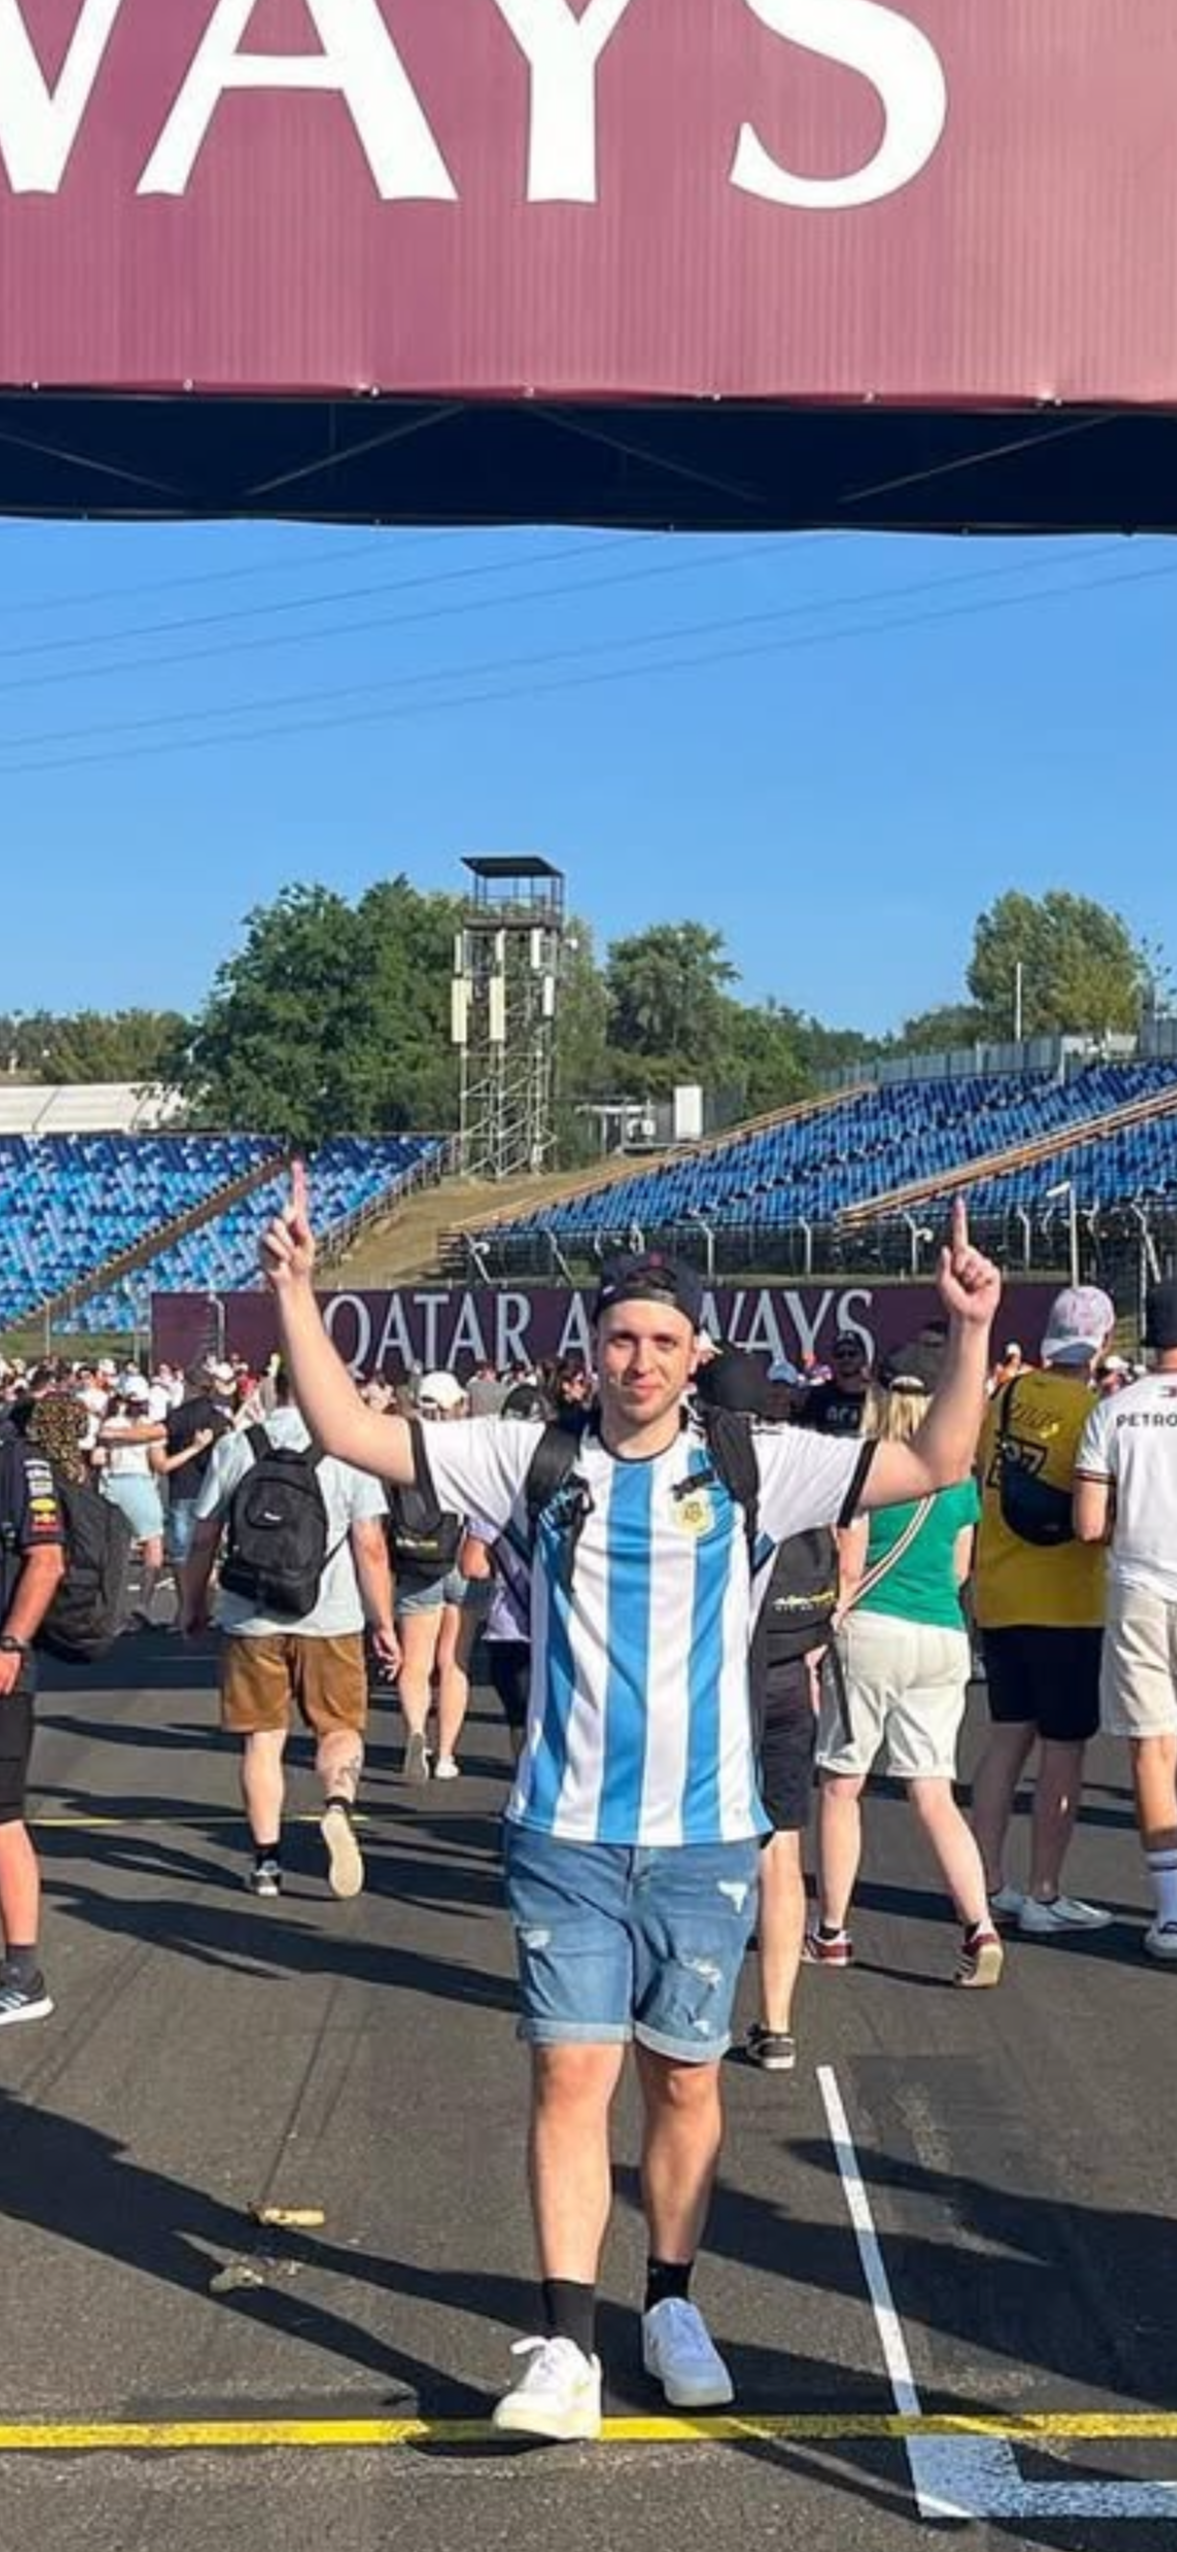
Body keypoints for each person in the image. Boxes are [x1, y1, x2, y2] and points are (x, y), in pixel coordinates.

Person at [261, 1170, 1002, 2440]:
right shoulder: (529, 1453)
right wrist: (292, 1292)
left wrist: (973, 1324)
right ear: (589, 1349)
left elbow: (939, 1454)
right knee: (568, 2075)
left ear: (696, 1350)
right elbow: (349, 1432)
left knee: (684, 2086)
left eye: (663, 1339)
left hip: (709, 1839)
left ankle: (670, 2298)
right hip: (565, 1832)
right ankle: (566, 2340)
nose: (641, 1358)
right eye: (620, 1337)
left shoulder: (755, 1459)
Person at [807, 1348, 1001, 1987]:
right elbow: (958, 1570)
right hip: (941, 1632)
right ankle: (979, 1925)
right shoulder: (959, 1478)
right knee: (934, 1792)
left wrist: (821, 1631)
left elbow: (850, 1567)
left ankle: (832, 1930)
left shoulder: (869, 1467)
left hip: (872, 1628)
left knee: (842, 1783)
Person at [180, 1366, 398, 1900]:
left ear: (273, 1392)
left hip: (251, 1612)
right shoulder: (348, 1448)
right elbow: (369, 1545)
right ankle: (337, 1805)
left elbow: (205, 1535)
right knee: (339, 1729)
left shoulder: (239, 1445)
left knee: (262, 1740)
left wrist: (192, 1603)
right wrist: (384, 1622)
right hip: (331, 1615)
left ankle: (266, 1862)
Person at [696, 1347, 837, 2074]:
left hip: (723, 1675)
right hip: (793, 1665)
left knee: (710, 1846)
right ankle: (776, 2021)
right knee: (782, 1848)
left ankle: (697, 2007)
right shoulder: (808, 1463)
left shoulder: (704, 1467)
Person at [970, 1285, 1114, 1936]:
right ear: (1101, 1343)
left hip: (998, 1591)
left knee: (1005, 1740)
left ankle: (984, 1879)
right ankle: (1045, 1890)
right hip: (1066, 1600)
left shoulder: (1002, 1398)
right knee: (1062, 1751)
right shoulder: (1094, 1411)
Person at [1075, 1280, 1177, 1961]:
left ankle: (1170, 1913)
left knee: (1150, 1746)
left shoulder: (1114, 1409)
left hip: (1139, 1582)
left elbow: (1086, 1524)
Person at [386, 1371, 484, 1782]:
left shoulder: (401, 1445)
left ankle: (414, 1733)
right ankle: (446, 1754)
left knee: (416, 1661)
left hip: (416, 1557)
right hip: (464, 1555)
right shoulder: (472, 1444)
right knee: (454, 1661)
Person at [0, 1424, 66, 2024]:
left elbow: (46, 1560)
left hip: (1, 1670)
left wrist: (11, 1641)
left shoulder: (19, 1461)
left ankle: (23, 1972)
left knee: (0, 1819)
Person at [160, 1365, 233, 1574]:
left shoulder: (179, 1415)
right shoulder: (220, 1419)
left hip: (183, 1486)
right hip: (212, 1489)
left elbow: (160, 1439)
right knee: (207, 1552)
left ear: (189, 1386)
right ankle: (206, 1599)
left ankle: (186, 1603)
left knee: (182, 1553)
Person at [801, 1332, 875, 1436]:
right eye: (840, 1355)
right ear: (833, 1360)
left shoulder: (877, 1398)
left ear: (864, 1358)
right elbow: (806, 1435)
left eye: (852, 1353)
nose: (846, 1358)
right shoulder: (819, 1395)